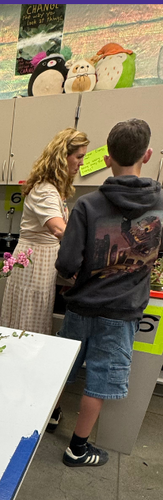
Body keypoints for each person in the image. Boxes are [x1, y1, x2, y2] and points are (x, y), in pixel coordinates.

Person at [54, 118, 163, 468]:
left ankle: (47, 418)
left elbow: (67, 263)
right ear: (146, 155)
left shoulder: (87, 206)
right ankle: (77, 449)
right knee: (99, 381)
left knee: (62, 369)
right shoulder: (160, 204)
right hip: (123, 312)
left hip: (81, 306)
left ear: (106, 159)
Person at [0, 128, 89, 350]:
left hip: (42, 259)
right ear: (62, 156)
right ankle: (22, 368)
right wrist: (89, 251)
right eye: (79, 157)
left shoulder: (53, 189)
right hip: (35, 261)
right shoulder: (44, 190)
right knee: (28, 323)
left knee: (32, 320)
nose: (82, 164)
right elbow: (59, 229)